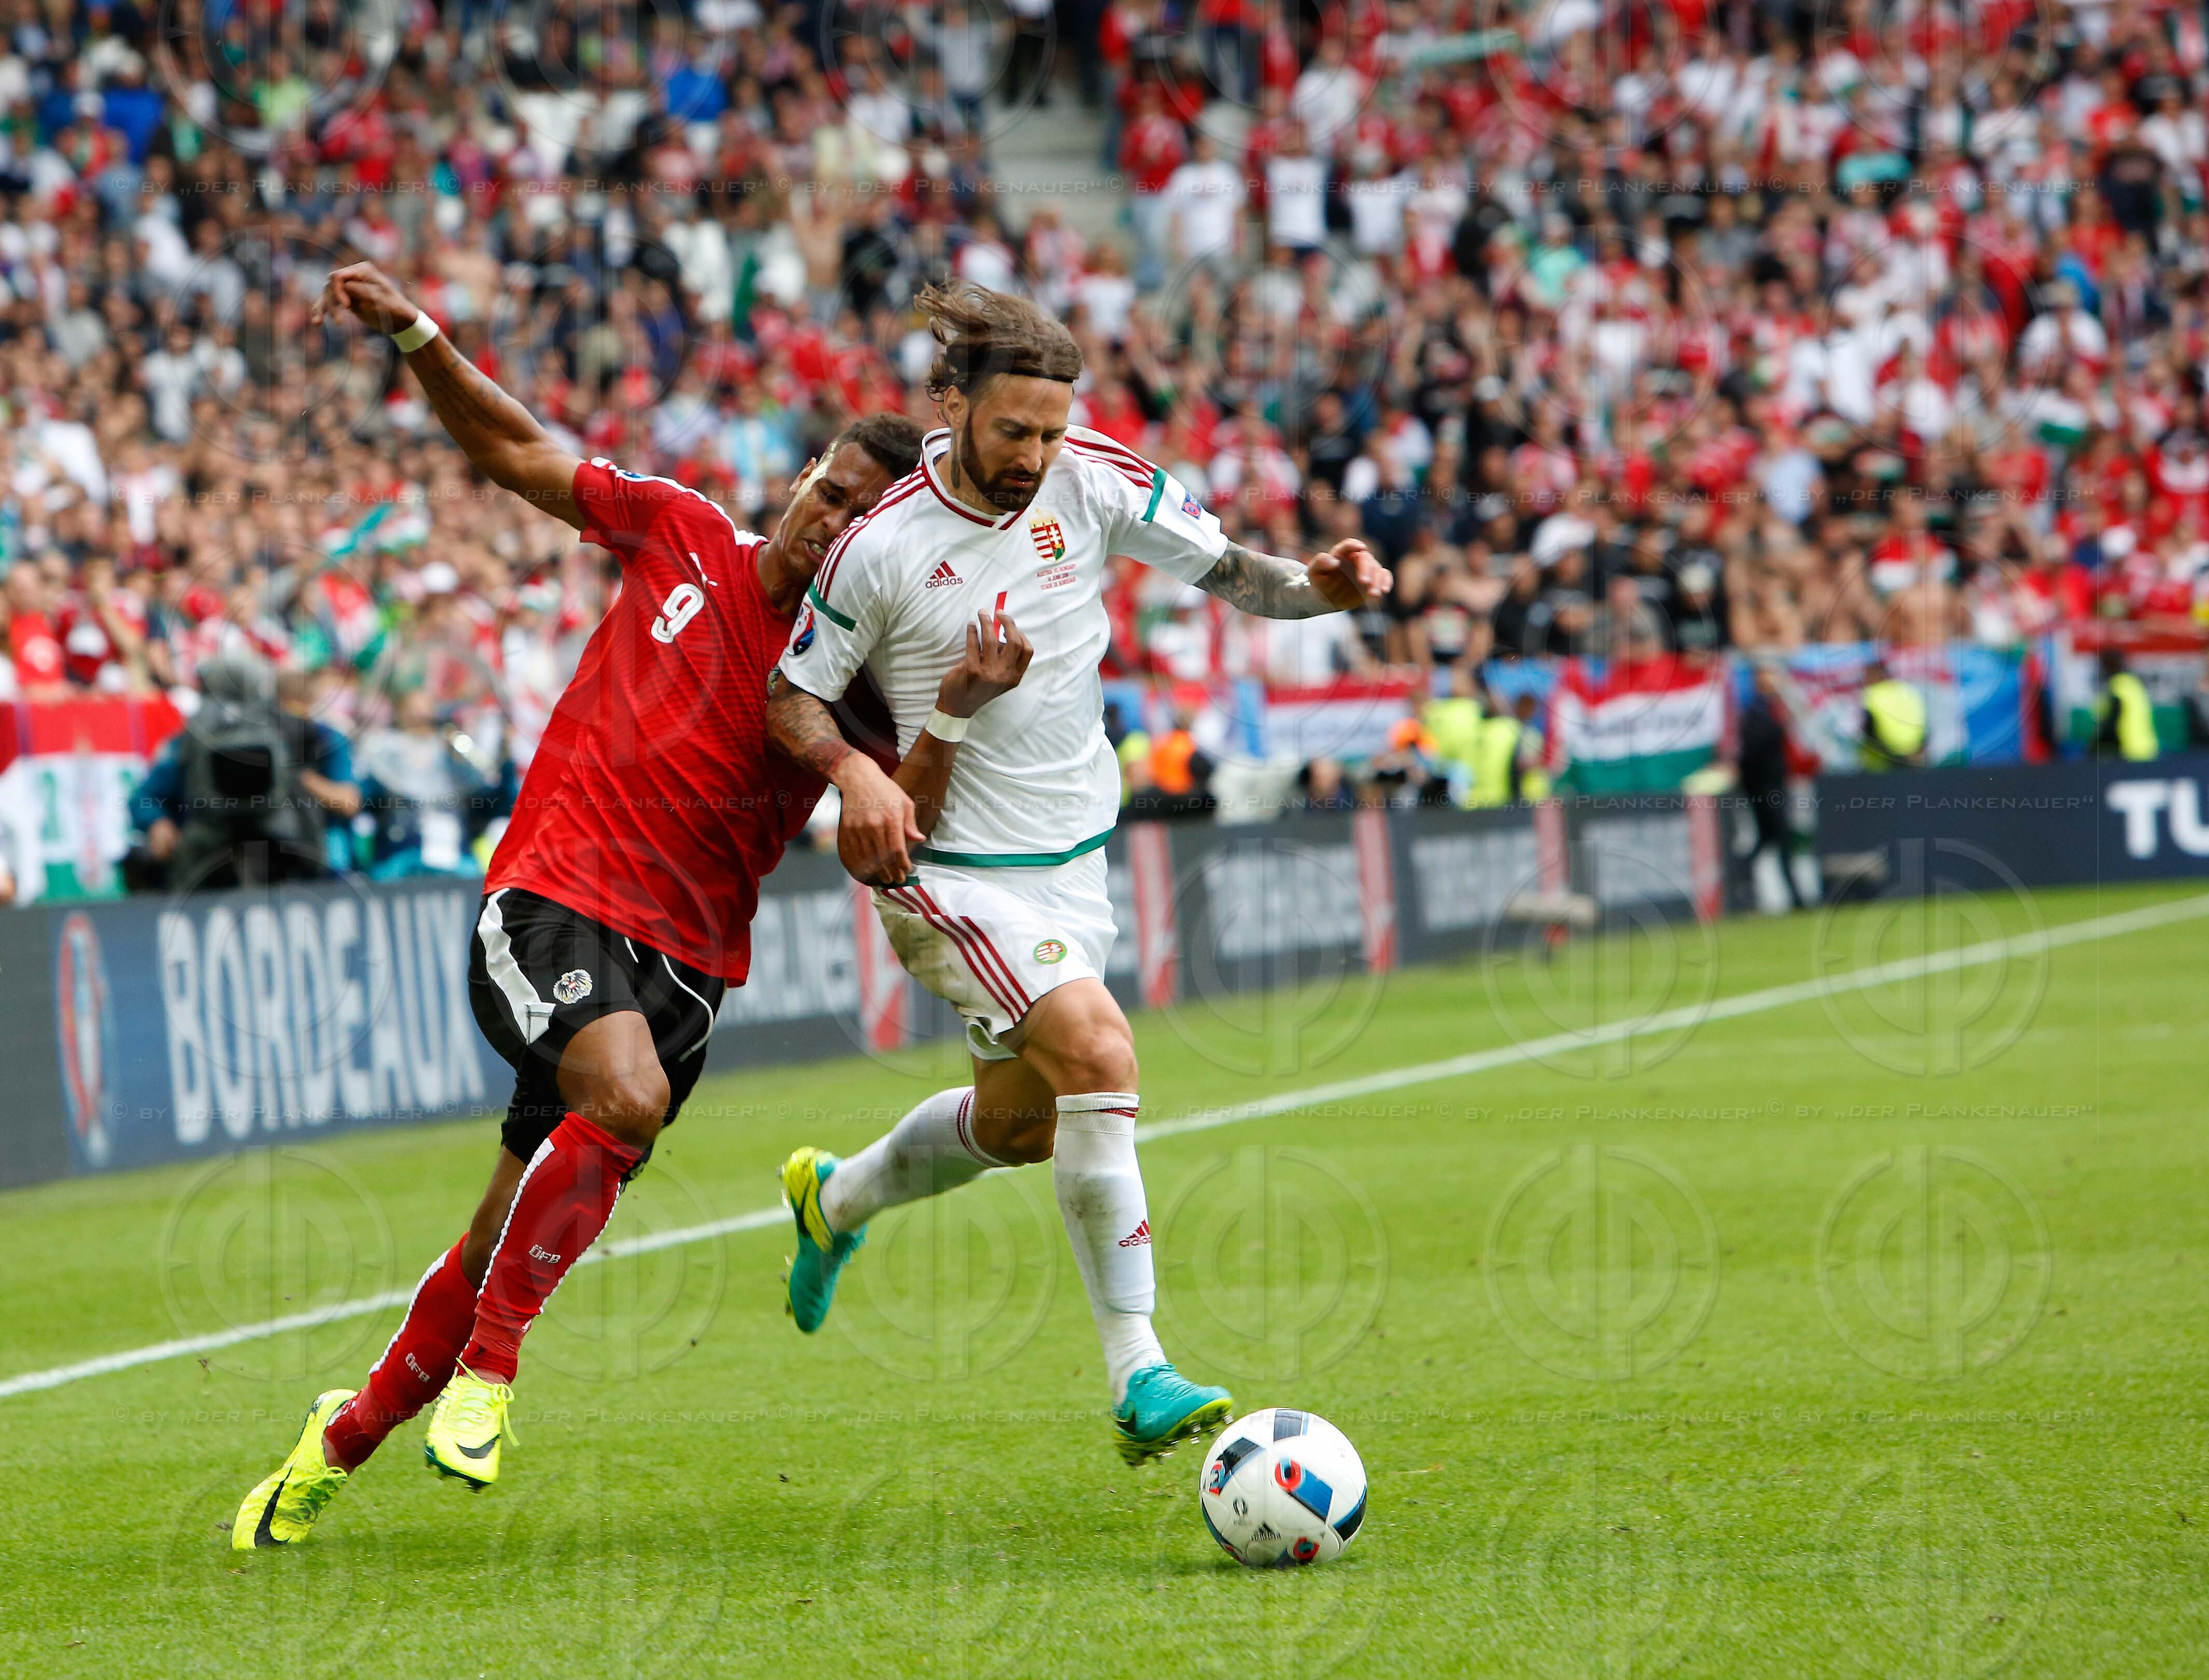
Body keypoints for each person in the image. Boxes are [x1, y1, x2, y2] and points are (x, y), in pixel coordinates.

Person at [231, 261, 1005, 1550]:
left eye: (857, 521)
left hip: (687, 972)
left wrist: (956, 715)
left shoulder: (851, 688)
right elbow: (516, 451)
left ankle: (338, 1440)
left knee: (500, 1234)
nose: (826, 522)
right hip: (553, 895)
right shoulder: (682, 531)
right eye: (826, 490)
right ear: (802, 478)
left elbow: (894, 836)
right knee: (624, 1096)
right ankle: (491, 1372)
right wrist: (418, 333)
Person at [765, 280, 1392, 1465]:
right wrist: (854, 774)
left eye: (1051, 431)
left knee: (1019, 1127)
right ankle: (1138, 1371)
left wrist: (1320, 589)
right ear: (952, 403)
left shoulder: (1093, 477)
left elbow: (1233, 572)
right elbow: (792, 695)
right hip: (945, 867)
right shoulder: (879, 545)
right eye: (1013, 430)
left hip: (1071, 862)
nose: (1034, 455)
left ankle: (834, 1200)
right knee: (1102, 1054)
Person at [1859, 660, 1929, 771]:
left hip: (1883, 764)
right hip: (1915, 758)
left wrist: (1893, 756)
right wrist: (1917, 752)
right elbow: (1925, 723)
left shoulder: (1871, 694)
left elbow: (1868, 731)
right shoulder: (1909, 690)